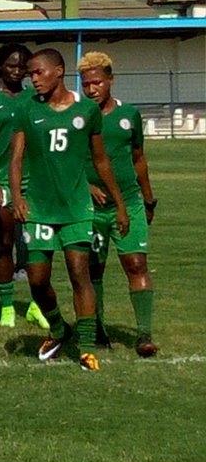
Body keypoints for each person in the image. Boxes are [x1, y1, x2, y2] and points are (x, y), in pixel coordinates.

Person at [9, 48, 128, 372]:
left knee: (79, 273)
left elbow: (100, 160)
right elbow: (16, 158)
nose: (33, 79)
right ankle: (59, 328)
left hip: (76, 208)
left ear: (59, 71)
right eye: (30, 74)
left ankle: (87, 348)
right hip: (39, 208)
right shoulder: (25, 110)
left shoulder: (87, 111)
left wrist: (119, 203)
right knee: (36, 279)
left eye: (39, 72)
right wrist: (17, 196)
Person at [77, 52, 158, 357]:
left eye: (97, 82)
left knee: (136, 263)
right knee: (92, 269)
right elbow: (64, 160)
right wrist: (87, 186)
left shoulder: (129, 115)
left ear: (111, 80)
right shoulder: (79, 115)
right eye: (86, 84)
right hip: (89, 208)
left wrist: (148, 199)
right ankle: (98, 329)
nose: (91, 89)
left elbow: (138, 158)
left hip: (129, 202)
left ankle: (144, 334)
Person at [0, 44, 45, 328]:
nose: (16, 70)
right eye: (11, 65)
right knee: (5, 243)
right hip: (1, 180)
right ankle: (6, 305)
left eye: (22, 66)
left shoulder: (35, 97)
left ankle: (37, 305)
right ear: (0, 66)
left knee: (37, 246)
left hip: (33, 183)